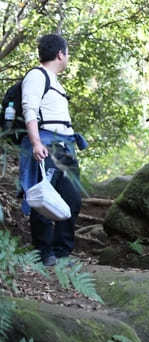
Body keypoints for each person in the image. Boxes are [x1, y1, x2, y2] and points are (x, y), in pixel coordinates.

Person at [19, 34, 87, 266]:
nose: (67, 57)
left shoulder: (55, 81)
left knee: (72, 199)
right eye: (67, 53)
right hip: (47, 145)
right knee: (44, 199)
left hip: (65, 147)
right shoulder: (37, 76)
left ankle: (62, 253)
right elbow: (29, 108)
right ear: (60, 53)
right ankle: (44, 253)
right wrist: (36, 143)